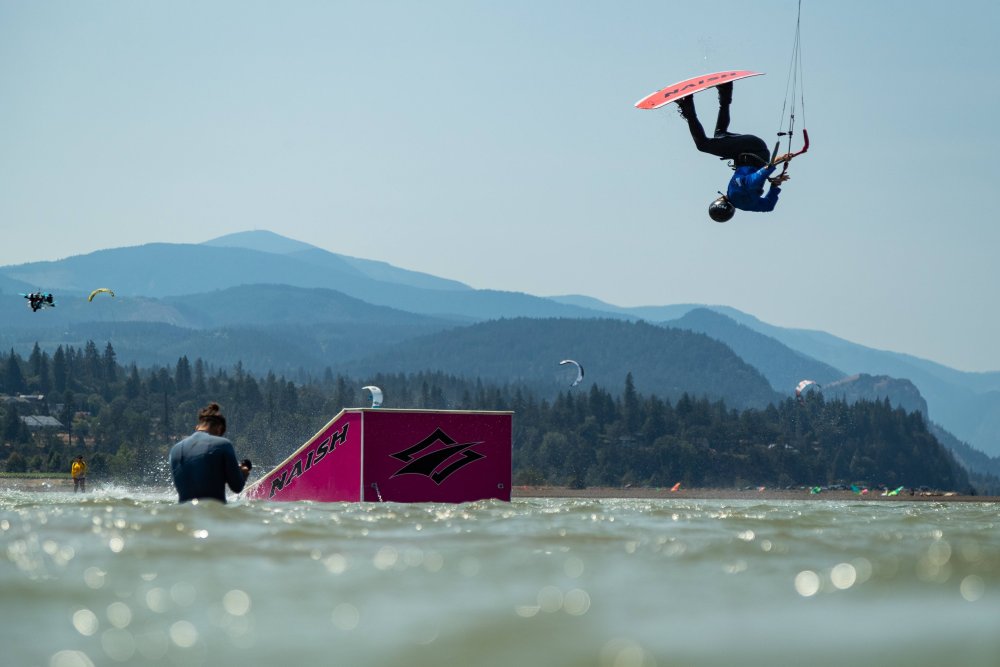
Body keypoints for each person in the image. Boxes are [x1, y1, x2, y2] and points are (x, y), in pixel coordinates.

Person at [675, 82, 790, 222]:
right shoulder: (735, 193)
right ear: (719, 202)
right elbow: (751, 180)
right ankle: (686, 102)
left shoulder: (748, 206)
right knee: (702, 145)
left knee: (720, 136)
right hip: (751, 148)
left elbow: (769, 206)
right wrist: (770, 167)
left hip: (751, 153)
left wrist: (774, 187)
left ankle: (725, 91)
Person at [169, 402, 252, 503]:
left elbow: (199, 478)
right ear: (219, 429)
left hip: (183, 515)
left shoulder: (175, 449)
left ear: (197, 427)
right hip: (214, 515)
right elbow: (237, 487)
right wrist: (243, 474)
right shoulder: (223, 444)